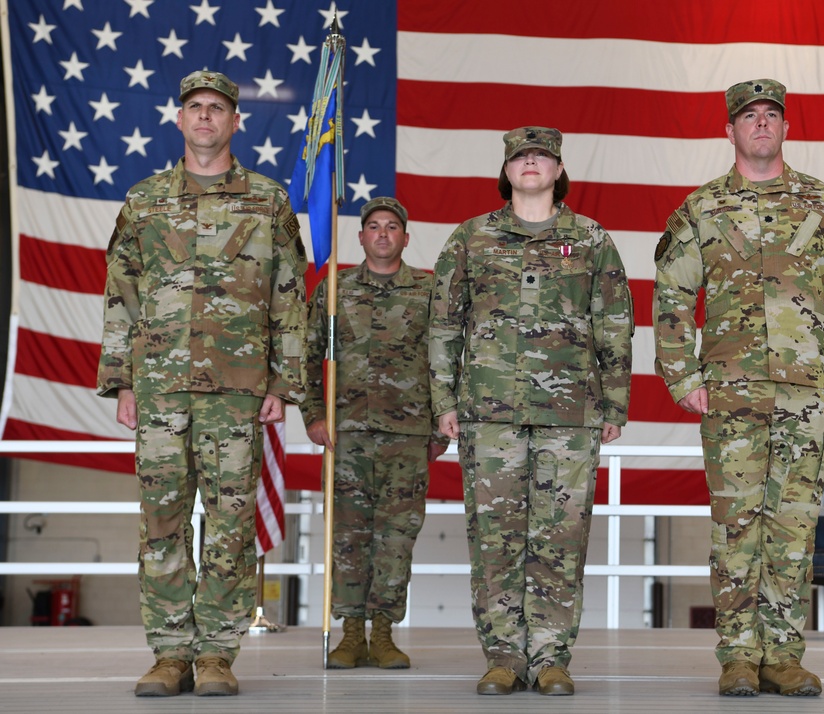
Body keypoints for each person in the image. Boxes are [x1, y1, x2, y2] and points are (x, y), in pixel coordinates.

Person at [653, 79, 824, 697]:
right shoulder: (701, 210)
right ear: (729, 131)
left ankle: (783, 655)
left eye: (770, 115)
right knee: (735, 526)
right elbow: (672, 295)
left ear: (784, 128)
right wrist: (683, 375)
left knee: (794, 525)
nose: (759, 124)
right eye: (747, 116)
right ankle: (738, 658)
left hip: (806, 392)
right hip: (730, 392)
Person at [97, 70, 308, 697]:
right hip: (160, 388)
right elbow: (120, 294)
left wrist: (284, 382)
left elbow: (289, 297)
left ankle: (216, 653)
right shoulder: (144, 201)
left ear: (236, 121)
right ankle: (169, 654)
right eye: (195, 107)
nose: (206, 117)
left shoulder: (267, 200)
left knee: (230, 521)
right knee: (161, 518)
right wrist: (122, 382)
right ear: (180, 119)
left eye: (218, 108)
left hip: (238, 389)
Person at [429, 127, 633, 696]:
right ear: (507, 169)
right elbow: (445, 326)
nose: (532, 163)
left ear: (559, 167)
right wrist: (443, 402)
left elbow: (614, 324)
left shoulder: (591, 239)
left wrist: (614, 402)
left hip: (570, 416)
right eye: (521, 156)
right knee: (494, 537)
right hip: (488, 415)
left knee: (561, 536)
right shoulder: (471, 239)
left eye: (541, 156)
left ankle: (550, 657)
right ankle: (503, 656)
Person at [301, 196, 448, 670]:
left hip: (407, 435)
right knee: (348, 536)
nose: (382, 234)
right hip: (347, 435)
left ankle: (382, 633)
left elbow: (447, 361)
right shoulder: (334, 291)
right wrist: (312, 416)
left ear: (405, 237)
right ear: (361, 236)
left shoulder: (428, 293)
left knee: (397, 536)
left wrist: (442, 422)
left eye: (392, 227)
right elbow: (307, 358)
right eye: (373, 226)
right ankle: (349, 634)